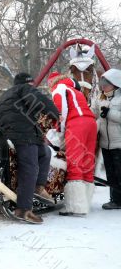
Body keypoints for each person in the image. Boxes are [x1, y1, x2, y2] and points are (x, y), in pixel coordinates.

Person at [0, 72, 59, 223]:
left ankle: (38, 187)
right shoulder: (25, 89)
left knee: (45, 151)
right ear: (28, 83)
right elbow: (41, 100)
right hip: (22, 134)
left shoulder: (5, 96)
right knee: (30, 167)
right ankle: (23, 210)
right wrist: (55, 114)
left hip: (4, 135)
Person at [48, 72, 97, 216]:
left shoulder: (59, 89)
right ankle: (85, 203)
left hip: (77, 123)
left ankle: (74, 207)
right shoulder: (75, 90)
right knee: (87, 163)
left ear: (52, 82)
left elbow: (60, 112)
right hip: (91, 123)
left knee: (74, 162)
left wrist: (59, 132)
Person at [91, 68, 121, 209]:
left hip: (119, 142)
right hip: (105, 143)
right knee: (111, 173)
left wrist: (110, 113)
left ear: (115, 83)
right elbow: (94, 115)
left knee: (120, 172)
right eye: (102, 83)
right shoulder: (99, 98)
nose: (103, 86)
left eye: (106, 83)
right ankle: (114, 200)